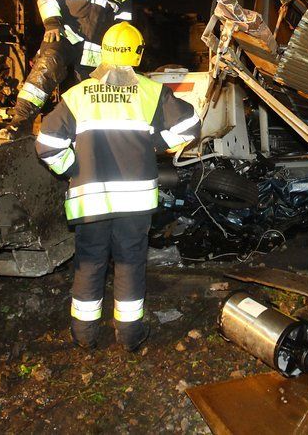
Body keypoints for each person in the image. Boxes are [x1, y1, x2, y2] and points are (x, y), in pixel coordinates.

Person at [35, 22, 200, 351]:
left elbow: (47, 143)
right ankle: (129, 336)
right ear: (137, 54)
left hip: (90, 202)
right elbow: (191, 126)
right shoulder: (150, 92)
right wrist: (156, 144)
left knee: (90, 262)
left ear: (104, 52)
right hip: (134, 204)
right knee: (130, 264)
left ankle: (84, 336)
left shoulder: (78, 95)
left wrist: (72, 168)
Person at [0, 0, 136, 139]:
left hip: (93, 52)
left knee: (82, 95)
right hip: (63, 36)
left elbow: (123, 26)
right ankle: (20, 123)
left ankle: (74, 137)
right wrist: (52, 23)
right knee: (47, 68)